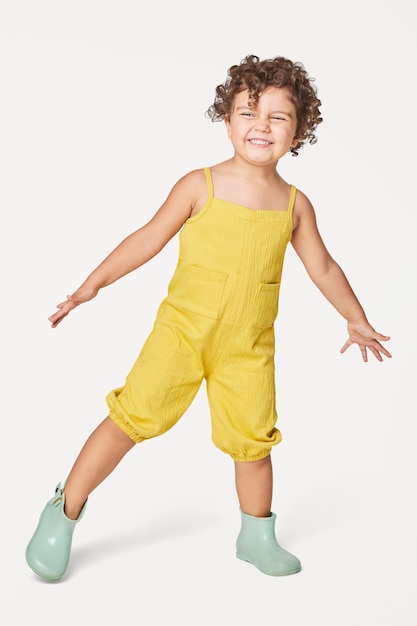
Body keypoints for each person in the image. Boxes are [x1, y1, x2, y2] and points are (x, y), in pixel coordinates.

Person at [25, 54, 392, 582]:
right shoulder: (200, 185)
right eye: (248, 112)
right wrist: (91, 286)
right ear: (227, 121)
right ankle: (64, 510)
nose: (261, 126)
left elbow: (324, 266)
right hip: (181, 336)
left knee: (254, 441)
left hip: (247, 347)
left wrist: (354, 317)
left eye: (278, 116)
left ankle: (256, 535)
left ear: (300, 129)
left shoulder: (294, 205)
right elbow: (147, 239)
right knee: (130, 419)